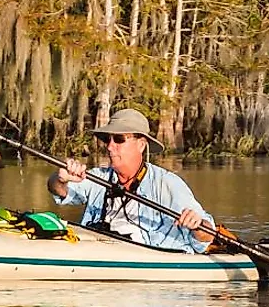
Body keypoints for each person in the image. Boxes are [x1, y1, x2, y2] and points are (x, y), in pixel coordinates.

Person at [51, 107, 217, 253]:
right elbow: (58, 189)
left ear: (141, 145)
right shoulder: (98, 177)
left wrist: (197, 225)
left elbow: (206, 237)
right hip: (99, 252)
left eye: (119, 139)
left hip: (149, 264)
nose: (109, 146)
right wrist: (60, 178)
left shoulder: (167, 184)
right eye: (108, 139)